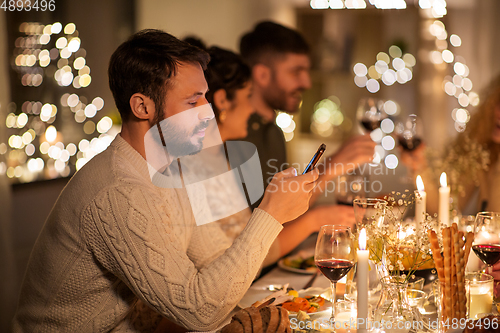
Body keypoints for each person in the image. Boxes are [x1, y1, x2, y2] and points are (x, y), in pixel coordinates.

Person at [12, 29, 318, 332]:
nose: (209, 114)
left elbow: (216, 262)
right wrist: (270, 214)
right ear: (142, 107)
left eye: (206, 99)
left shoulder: (174, 168)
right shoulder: (118, 191)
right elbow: (198, 311)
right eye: (192, 102)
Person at [239, 21, 376, 256]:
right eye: (295, 72)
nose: (307, 83)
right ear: (262, 74)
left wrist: (332, 168)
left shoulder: (274, 132)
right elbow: (249, 241)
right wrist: (330, 169)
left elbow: (288, 211)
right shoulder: (237, 139)